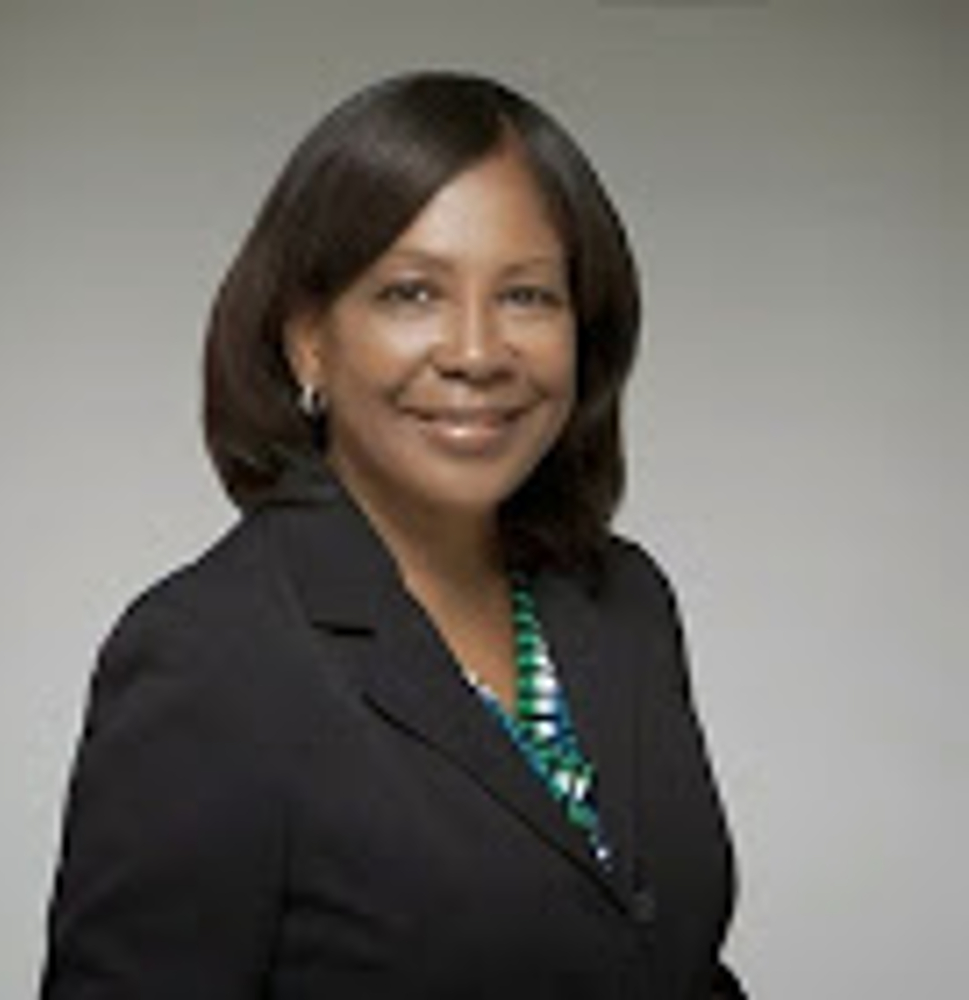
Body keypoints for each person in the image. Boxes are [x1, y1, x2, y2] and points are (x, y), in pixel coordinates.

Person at [41, 71, 747, 999]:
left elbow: (667, 963)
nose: (477, 352)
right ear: (308, 339)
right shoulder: (207, 658)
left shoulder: (622, 600)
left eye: (528, 296)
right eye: (413, 293)